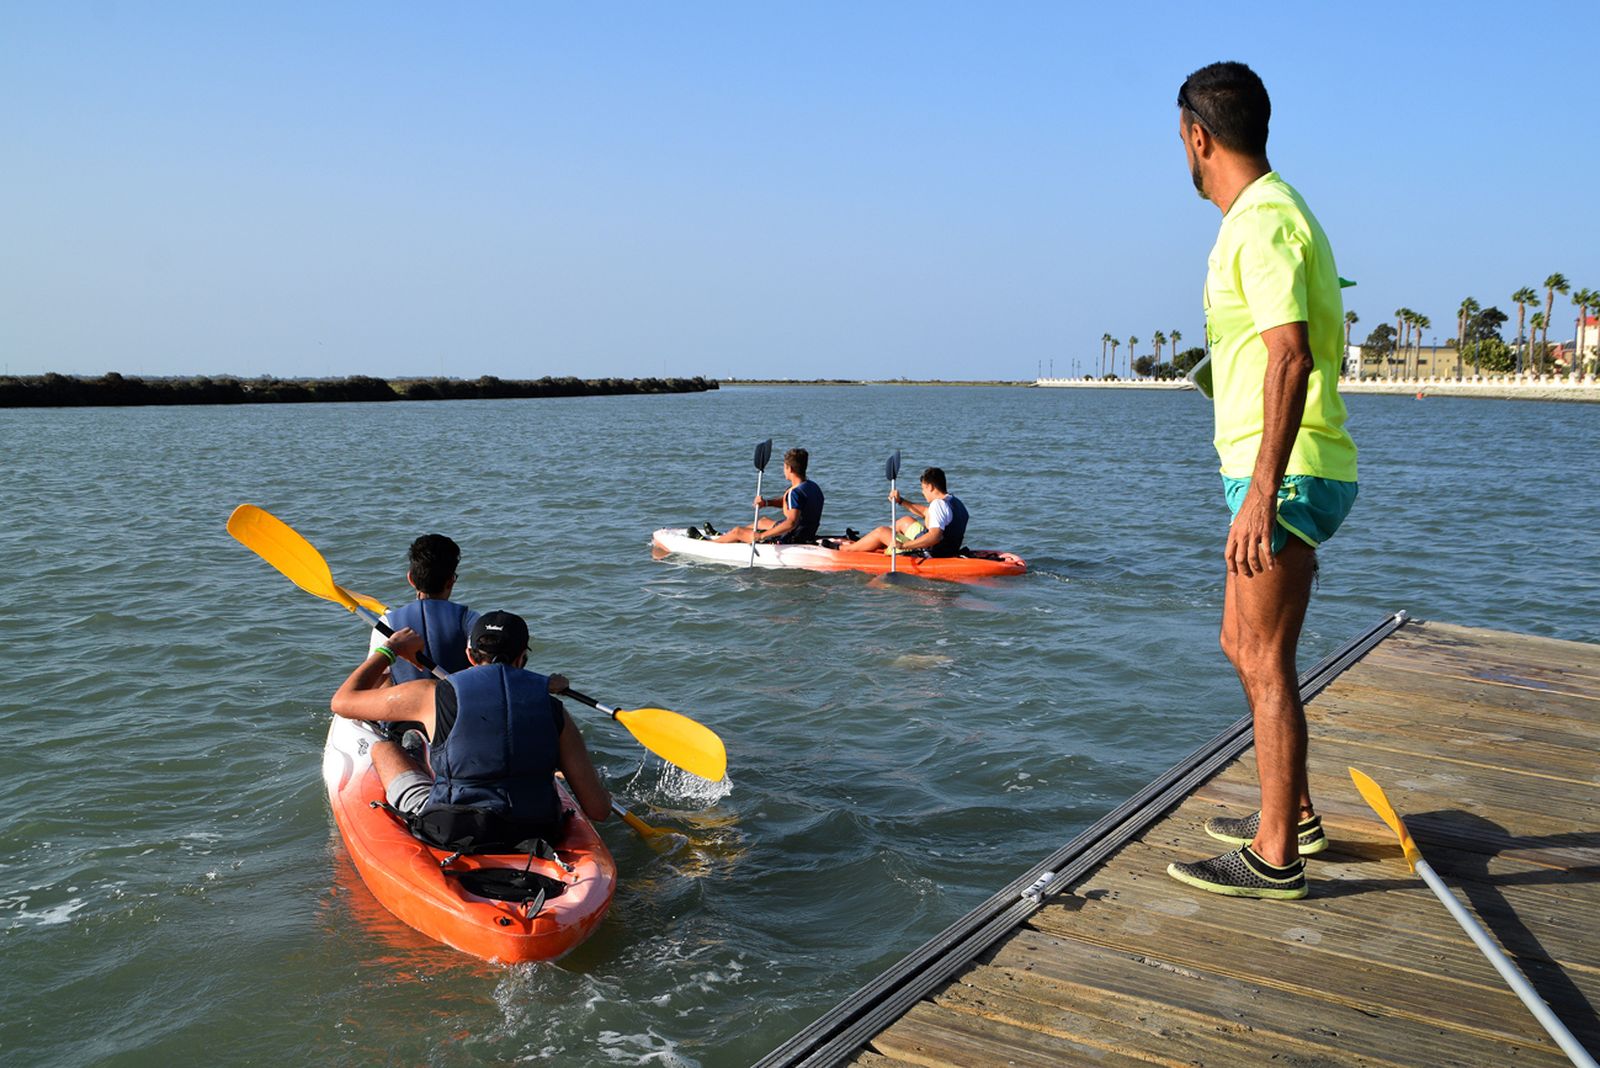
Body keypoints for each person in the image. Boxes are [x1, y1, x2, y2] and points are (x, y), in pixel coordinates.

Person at [1164, 62, 1358, 901]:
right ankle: (1296, 810)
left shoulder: (1264, 221)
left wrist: (1260, 492)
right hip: (1263, 468)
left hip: (1280, 474)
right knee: (1239, 644)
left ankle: (1277, 856)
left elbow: (1291, 352)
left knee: (1266, 657)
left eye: (1180, 140)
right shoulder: (1258, 219)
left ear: (1198, 137)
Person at [332, 611, 612, 845]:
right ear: (522, 657)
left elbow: (343, 701)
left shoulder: (430, 695)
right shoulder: (553, 709)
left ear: (469, 654)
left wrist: (390, 649)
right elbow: (598, 810)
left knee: (385, 748)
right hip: (537, 830)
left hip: (452, 828)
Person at [373, 534, 477, 685]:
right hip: (456, 705)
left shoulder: (387, 623)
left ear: (410, 579)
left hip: (406, 705)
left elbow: (378, 679)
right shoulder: (469, 619)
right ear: (450, 581)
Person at [702, 447, 825, 545]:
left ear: (790, 469)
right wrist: (767, 503)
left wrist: (761, 536)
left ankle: (711, 544)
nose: (784, 470)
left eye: (784, 467)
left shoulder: (795, 492)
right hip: (806, 532)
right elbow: (792, 503)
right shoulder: (812, 487)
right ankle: (725, 536)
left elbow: (791, 523)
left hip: (791, 537)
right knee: (763, 521)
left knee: (738, 531)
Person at [836, 467, 968, 558]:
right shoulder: (953, 501)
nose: (922, 492)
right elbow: (927, 513)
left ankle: (844, 550)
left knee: (881, 531)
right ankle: (870, 542)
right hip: (948, 548)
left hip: (931, 553)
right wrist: (901, 501)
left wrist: (903, 545)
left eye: (923, 488)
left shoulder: (937, 505)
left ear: (930, 487)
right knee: (905, 521)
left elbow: (935, 537)